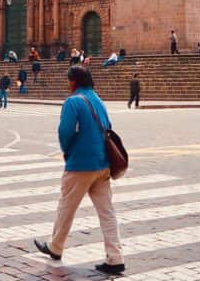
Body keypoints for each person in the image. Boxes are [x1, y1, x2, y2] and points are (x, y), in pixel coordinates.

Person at [33, 65, 124, 276]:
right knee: (107, 212)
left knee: (66, 207)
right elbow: (108, 125)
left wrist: (68, 151)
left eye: (68, 80)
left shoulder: (73, 101)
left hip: (81, 164)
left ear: (74, 81)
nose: (67, 84)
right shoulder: (97, 99)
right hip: (103, 165)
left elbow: (65, 131)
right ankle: (115, 257)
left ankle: (55, 247)